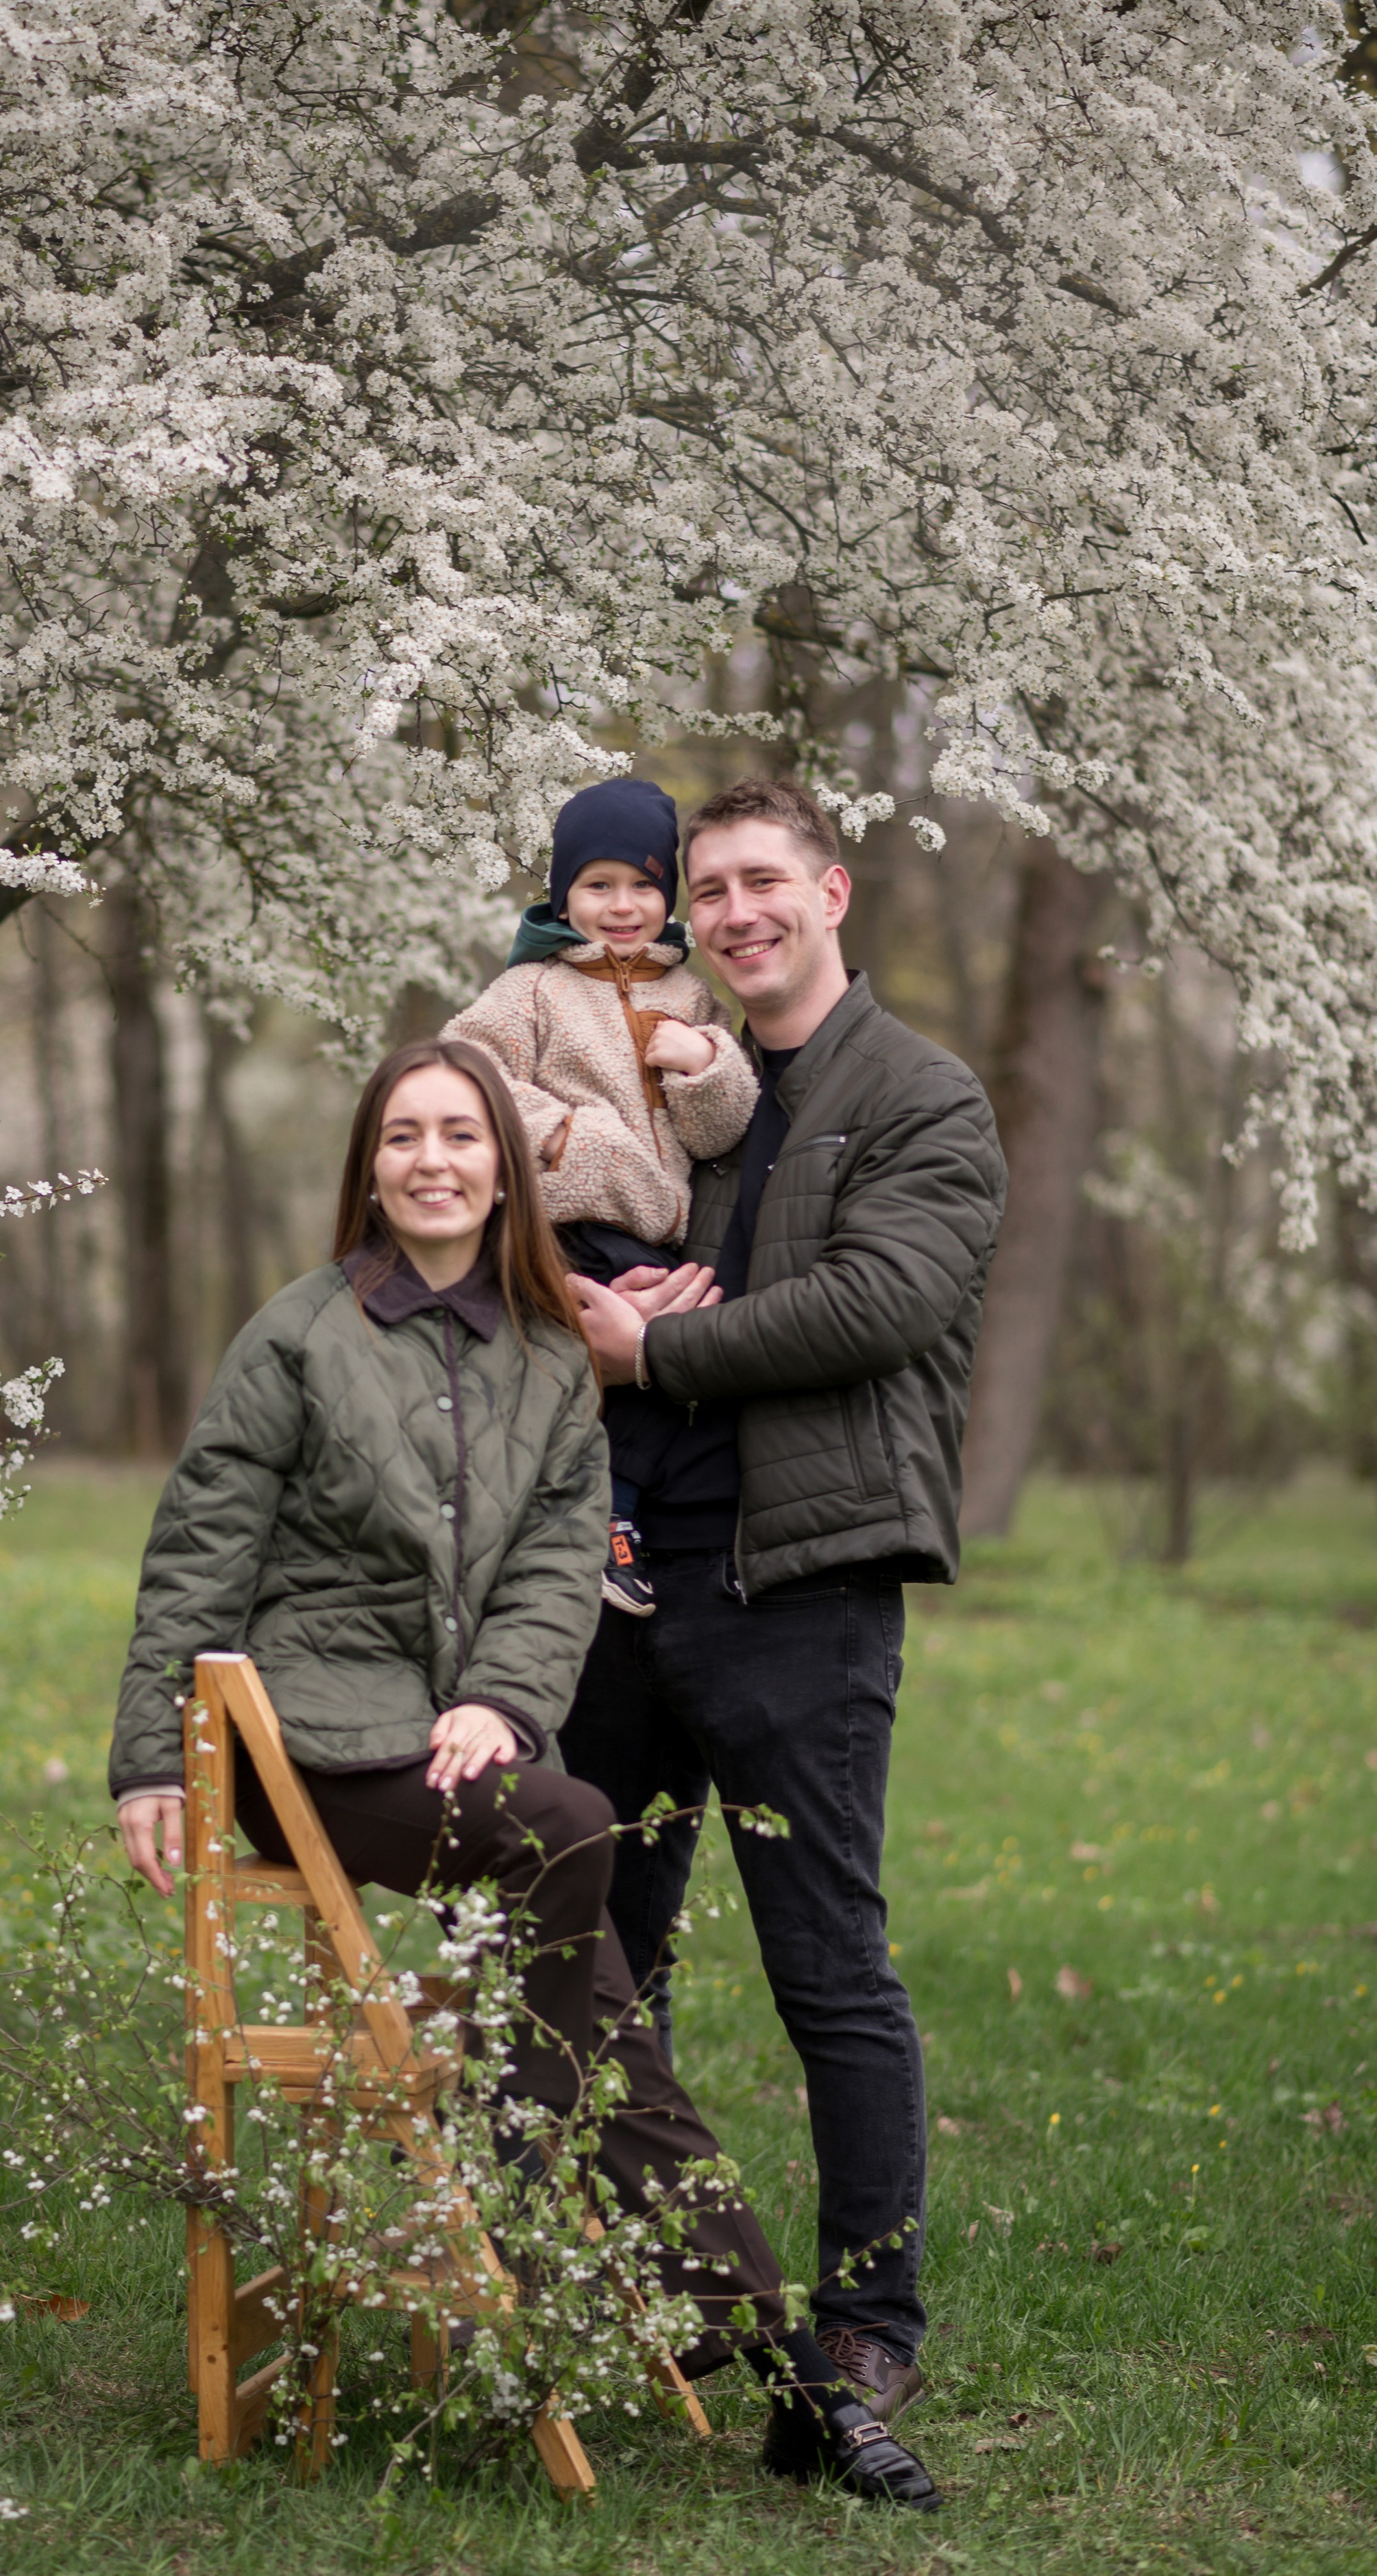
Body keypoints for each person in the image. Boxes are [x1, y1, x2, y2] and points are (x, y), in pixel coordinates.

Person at [111, 1033, 938, 2505]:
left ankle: (788, 2370)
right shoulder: (296, 1333)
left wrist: (499, 1692)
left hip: (459, 1738)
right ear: (369, 1165)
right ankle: (571, 2150)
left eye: (460, 1135)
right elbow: (196, 1554)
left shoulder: (553, 1355)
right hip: (304, 1734)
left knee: (585, 1964)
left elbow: (560, 1568)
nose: (432, 1159)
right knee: (569, 1824)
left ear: (506, 1164)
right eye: (403, 1136)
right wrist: (147, 1762)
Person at [564, 778, 1008, 2427]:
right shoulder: (668, 1068)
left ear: (829, 890)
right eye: (709, 889)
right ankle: (675, 2287)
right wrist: (598, 1300)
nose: (736, 911)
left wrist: (664, 1342)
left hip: (795, 1581)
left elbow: (885, 1300)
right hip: (616, 1581)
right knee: (606, 1946)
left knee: (823, 1958)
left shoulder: (914, 1091)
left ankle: (867, 2313)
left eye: (764, 881)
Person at [446, 778, 758, 1617]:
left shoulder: (693, 997)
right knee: (580, 1375)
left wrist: (706, 1065)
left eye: (645, 885)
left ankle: (611, 1518)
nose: (622, 907)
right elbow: (462, 1073)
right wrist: (565, 1137)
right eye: (598, 885)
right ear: (563, 893)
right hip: (567, 1223)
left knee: (661, 1373)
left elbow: (722, 1130)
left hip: (656, 1234)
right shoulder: (533, 990)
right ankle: (589, 1523)